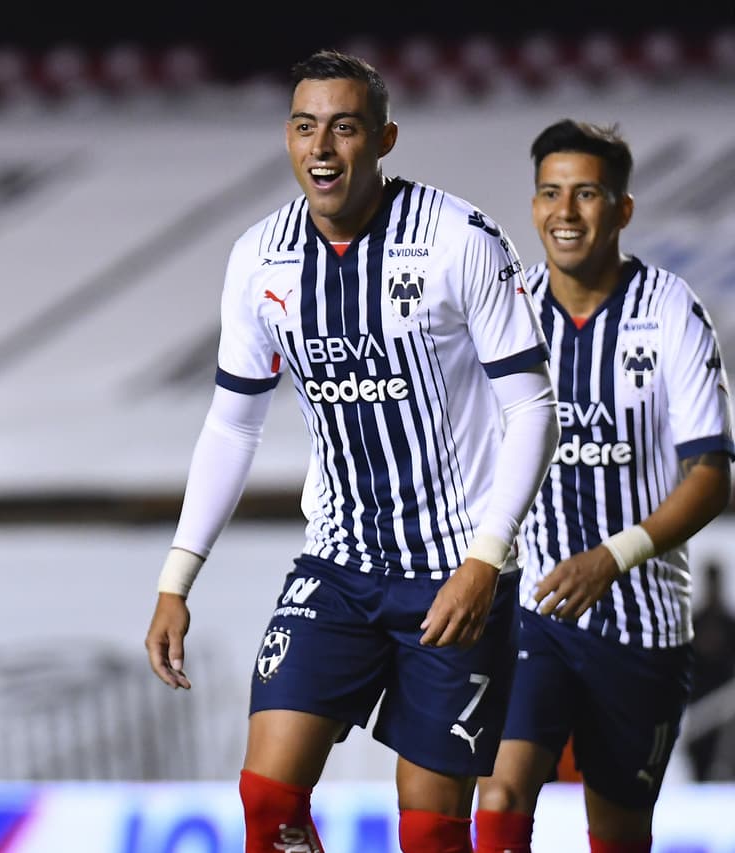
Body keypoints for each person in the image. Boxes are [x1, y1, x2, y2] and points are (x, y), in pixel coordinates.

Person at [143, 50, 559, 853]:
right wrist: (176, 577)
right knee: (266, 798)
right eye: (305, 128)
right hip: (337, 566)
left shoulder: (457, 239)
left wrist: (486, 557)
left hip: (455, 575)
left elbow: (532, 409)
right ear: (288, 139)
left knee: (433, 832)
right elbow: (234, 424)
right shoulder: (259, 259)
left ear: (384, 138)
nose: (322, 148)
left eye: (344, 127)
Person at [474, 120, 734, 853]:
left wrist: (611, 557)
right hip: (532, 609)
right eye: (551, 193)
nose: (566, 211)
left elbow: (710, 476)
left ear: (621, 208)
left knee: (618, 834)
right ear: (532, 207)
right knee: (499, 790)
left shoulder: (672, 313)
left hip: (641, 625)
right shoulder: (503, 311)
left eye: (586, 193)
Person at [688, 561, 735, 781]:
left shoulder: (728, 623)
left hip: (724, 705)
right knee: (698, 759)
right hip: (698, 702)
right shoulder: (696, 622)